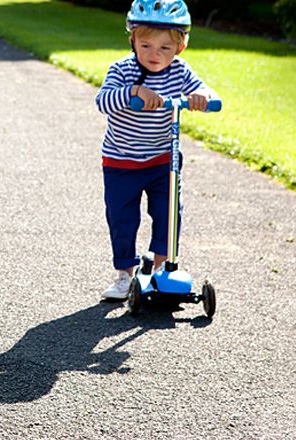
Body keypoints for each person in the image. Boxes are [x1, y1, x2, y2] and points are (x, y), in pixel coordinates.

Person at [94, 0, 219, 300]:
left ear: (180, 46)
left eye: (165, 47)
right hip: (121, 162)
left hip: (163, 160)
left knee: (169, 213)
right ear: (133, 40)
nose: (155, 54)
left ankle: (163, 269)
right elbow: (103, 101)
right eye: (146, 45)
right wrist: (134, 92)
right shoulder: (122, 70)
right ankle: (125, 275)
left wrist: (202, 96)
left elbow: (204, 89)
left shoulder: (179, 71)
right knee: (122, 218)